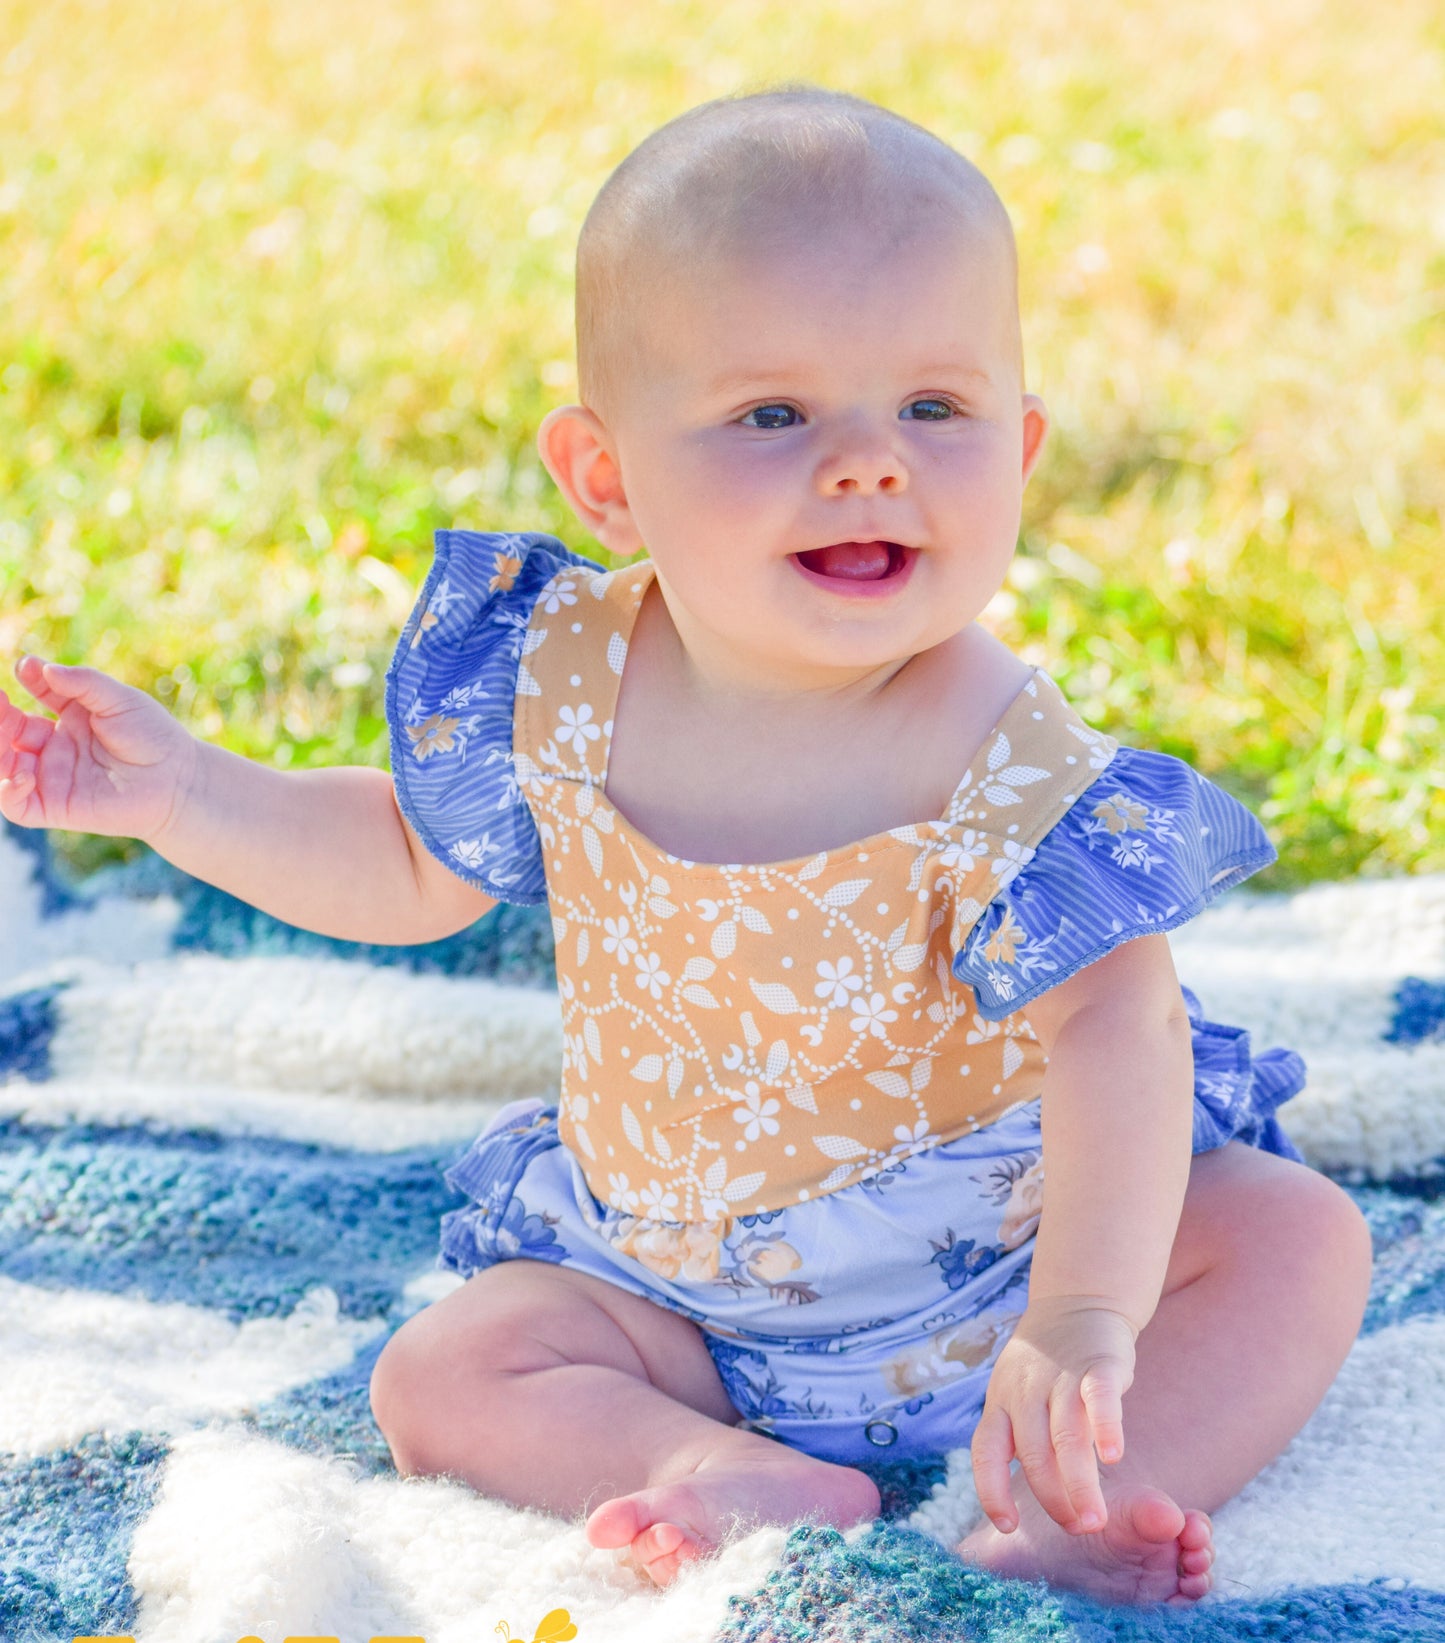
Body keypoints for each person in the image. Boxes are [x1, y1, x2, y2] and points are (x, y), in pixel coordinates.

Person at [0, 86, 1372, 1607]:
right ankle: (699, 1463)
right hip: (676, 1287)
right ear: (604, 475)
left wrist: (1085, 1318)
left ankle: (1078, 1490)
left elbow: (1117, 1017)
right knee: (446, 1372)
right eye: (772, 414)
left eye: (932, 406)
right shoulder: (559, 672)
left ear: (1021, 443)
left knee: (1293, 1241)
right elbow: (402, 862)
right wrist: (183, 793)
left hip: (1006, 1256)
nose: (866, 462)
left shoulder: (997, 748)